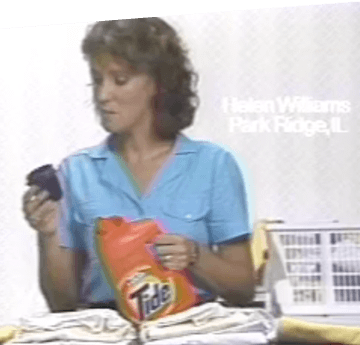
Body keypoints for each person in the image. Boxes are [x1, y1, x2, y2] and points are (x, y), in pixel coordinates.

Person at [22, 17, 255, 313]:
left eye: (120, 80)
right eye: (97, 80)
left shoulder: (214, 165)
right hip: (107, 332)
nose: (103, 95)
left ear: (159, 84)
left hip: (191, 330)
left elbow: (243, 289)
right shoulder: (76, 172)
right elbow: (62, 303)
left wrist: (196, 256)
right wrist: (49, 233)